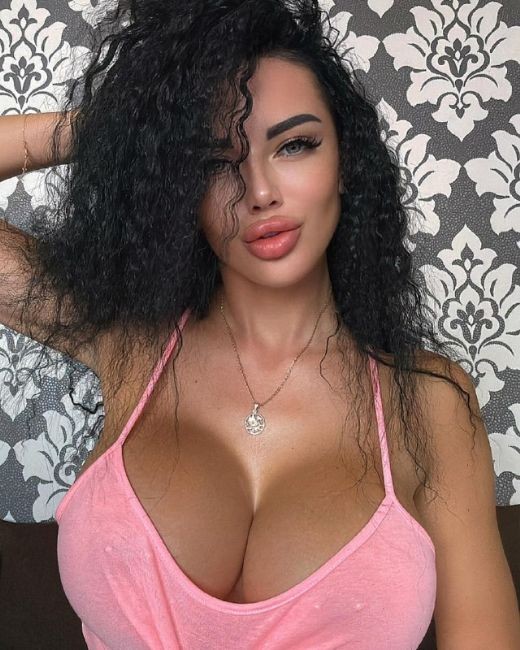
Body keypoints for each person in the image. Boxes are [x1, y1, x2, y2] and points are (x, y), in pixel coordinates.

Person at [0, 1, 519, 648]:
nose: (260, 191)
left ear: (347, 162)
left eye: (294, 145)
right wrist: (124, 128)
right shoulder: (129, 342)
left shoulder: (430, 404)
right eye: (215, 161)